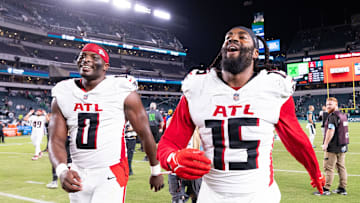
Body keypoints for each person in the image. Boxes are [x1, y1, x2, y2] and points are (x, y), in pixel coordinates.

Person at [157, 26, 325, 202]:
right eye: (228, 37)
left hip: (260, 195)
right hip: (212, 195)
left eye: (242, 37)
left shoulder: (273, 88)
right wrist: (172, 159)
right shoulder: (199, 87)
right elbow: (169, 142)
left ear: (255, 53)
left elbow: (296, 139)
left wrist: (314, 171)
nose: (233, 39)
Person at [48, 43, 164, 202]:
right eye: (83, 56)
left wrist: (155, 170)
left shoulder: (121, 90)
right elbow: (55, 140)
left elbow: (144, 133)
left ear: (105, 66)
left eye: (94, 57)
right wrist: (61, 170)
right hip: (77, 171)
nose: (86, 60)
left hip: (110, 171)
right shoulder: (64, 92)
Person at [314, 97, 349, 196]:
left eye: (331, 104)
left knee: (328, 167)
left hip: (333, 146)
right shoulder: (343, 115)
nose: (328, 106)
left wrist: (325, 144)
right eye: (327, 104)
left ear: (336, 105)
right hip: (342, 145)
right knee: (341, 167)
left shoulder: (332, 116)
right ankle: (342, 188)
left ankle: (326, 189)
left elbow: (331, 130)